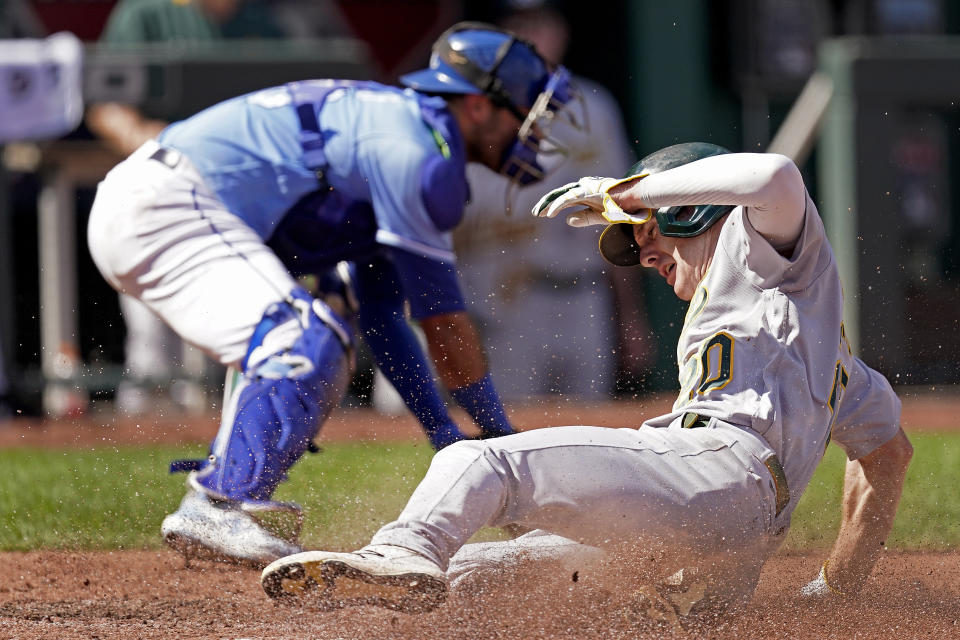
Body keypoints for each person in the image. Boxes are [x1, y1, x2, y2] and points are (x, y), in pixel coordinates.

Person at [259, 143, 913, 623]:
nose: (643, 253)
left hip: (715, 475)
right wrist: (837, 590)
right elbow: (888, 454)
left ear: (690, 209)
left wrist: (626, 193)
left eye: (644, 234)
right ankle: (391, 586)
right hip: (727, 546)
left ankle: (403, 547)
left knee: (478, 460)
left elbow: (774, 174)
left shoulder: (758, 252)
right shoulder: (827, 356)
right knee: (476, 580)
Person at [87, 22, 584, 565]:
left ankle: (226, 493)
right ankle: (219, 502)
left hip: (161, 202)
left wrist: (447, 433)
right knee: (300, 336)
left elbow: (382, 316)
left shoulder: (406, 131)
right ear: (477, 107)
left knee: (324, 327)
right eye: (526, 112)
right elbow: (444, 322)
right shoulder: (415, 153)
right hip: (165, 203)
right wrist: (500, 441)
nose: (534, 133)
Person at [86, 0, 287, 414]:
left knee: (243, 330)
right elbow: (103, 103)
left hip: (237, 198)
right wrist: (152, 140)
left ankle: (233, 441)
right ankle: (141, 446)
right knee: (154, 343)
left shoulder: (261, 22)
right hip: (160, 195)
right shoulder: (144, 13)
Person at [450, 1, 636, 401]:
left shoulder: (595, 106)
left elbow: (619, 215)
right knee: (513, 429)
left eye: (540, 23)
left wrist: (631, 317)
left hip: (586, 294)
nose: (533, 37)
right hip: (512, 296)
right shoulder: (481, 112)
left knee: (590, 430)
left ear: (562, 30)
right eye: (519, 25)